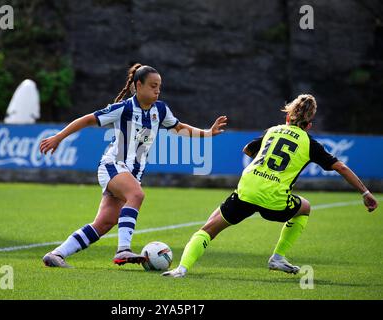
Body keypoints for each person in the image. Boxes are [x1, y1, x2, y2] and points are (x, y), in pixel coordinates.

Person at [162, 94, 378, 278]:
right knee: (305, 206)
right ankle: (278, 256)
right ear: (309, 125)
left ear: (287, 117)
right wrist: (365, 192)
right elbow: (341, 167)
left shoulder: (273, 131)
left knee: (208, 229)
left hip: (247, 191)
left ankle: (181, 269)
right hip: (275, 201)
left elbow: (247, 149)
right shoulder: (311, 144)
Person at [40, 63, 228, 268]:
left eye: (159, 86)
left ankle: (56, 254)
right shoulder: (124, 108)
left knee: (104, 223)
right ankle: (123, 250)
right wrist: (59, 137)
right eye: (153, 86)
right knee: (137, 195)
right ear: (138, 85)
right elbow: (87, 120)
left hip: (132, 174)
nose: (157, 90)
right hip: (113, 165)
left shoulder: (161, 110)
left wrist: (208, 133)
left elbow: (180, 128)